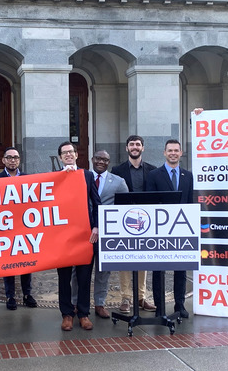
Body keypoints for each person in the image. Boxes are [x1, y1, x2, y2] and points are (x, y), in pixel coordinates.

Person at [72, 150, 129, 319]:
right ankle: (75, 302)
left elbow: (125, 206)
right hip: (84, 232)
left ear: (109, 162)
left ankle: (99, 303)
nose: (101, 162)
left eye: (105, 159)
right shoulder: (80, 177)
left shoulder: (118, 182)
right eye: (98, 158)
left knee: (103, 271)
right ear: (92, 159)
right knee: (79, 270)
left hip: (106, 233)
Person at [146, 139, 194, 319]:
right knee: (159, 270)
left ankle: (179, 304)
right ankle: (159, 307)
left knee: (181, 269)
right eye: (170, 150)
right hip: (160, 230)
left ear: (181, 153)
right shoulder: (154, 175)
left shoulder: (188, 176)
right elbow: (150, 202)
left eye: (176, 150)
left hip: (182, 229)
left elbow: (190, 202)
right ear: (164, 153)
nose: (173, 153)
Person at [56, 141, 101, 331]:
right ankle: (67, 314)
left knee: (84, 277)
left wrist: (97, 227)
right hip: (62, 237)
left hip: (85, 235)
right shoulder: (54, 178)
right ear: (60, 157)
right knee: (64, 277)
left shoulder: (87, 175)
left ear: (76, 155)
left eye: (71, 152)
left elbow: (96, 202)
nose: (68, 155)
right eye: (64, 153)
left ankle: (83, 313)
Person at [111, 135, 157, 313]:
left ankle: (141, 297)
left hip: (145, 221)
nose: (135, 147)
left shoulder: (152, 170)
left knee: (142, 259)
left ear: (143, 148)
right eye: (131, 144)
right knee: (125, 260)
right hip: (124, 220)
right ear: (126, 148)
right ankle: (126, 298)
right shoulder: (117, 170)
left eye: (138, 144)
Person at [0, 147, 38, 310]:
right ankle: (10, 296)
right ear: (4, 160)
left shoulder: (28, 178)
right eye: (9, 157)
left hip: (24, 227)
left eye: (16, 157)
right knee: (8, 263)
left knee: (27, 262)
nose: (13, 160)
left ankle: (27, 294)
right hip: (5, 228)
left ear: (20, 160)